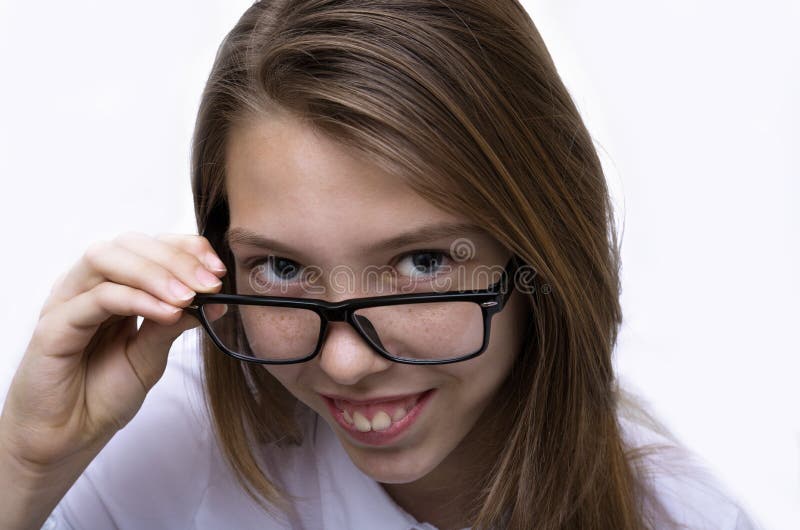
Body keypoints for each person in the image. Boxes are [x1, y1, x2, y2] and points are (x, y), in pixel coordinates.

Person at [0, 1, 759, 529]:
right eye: (283, 270)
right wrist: (26, 464)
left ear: (542, 255)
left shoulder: (684, 518)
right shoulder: (171, 436)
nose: (346, 360)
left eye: (422, 261)